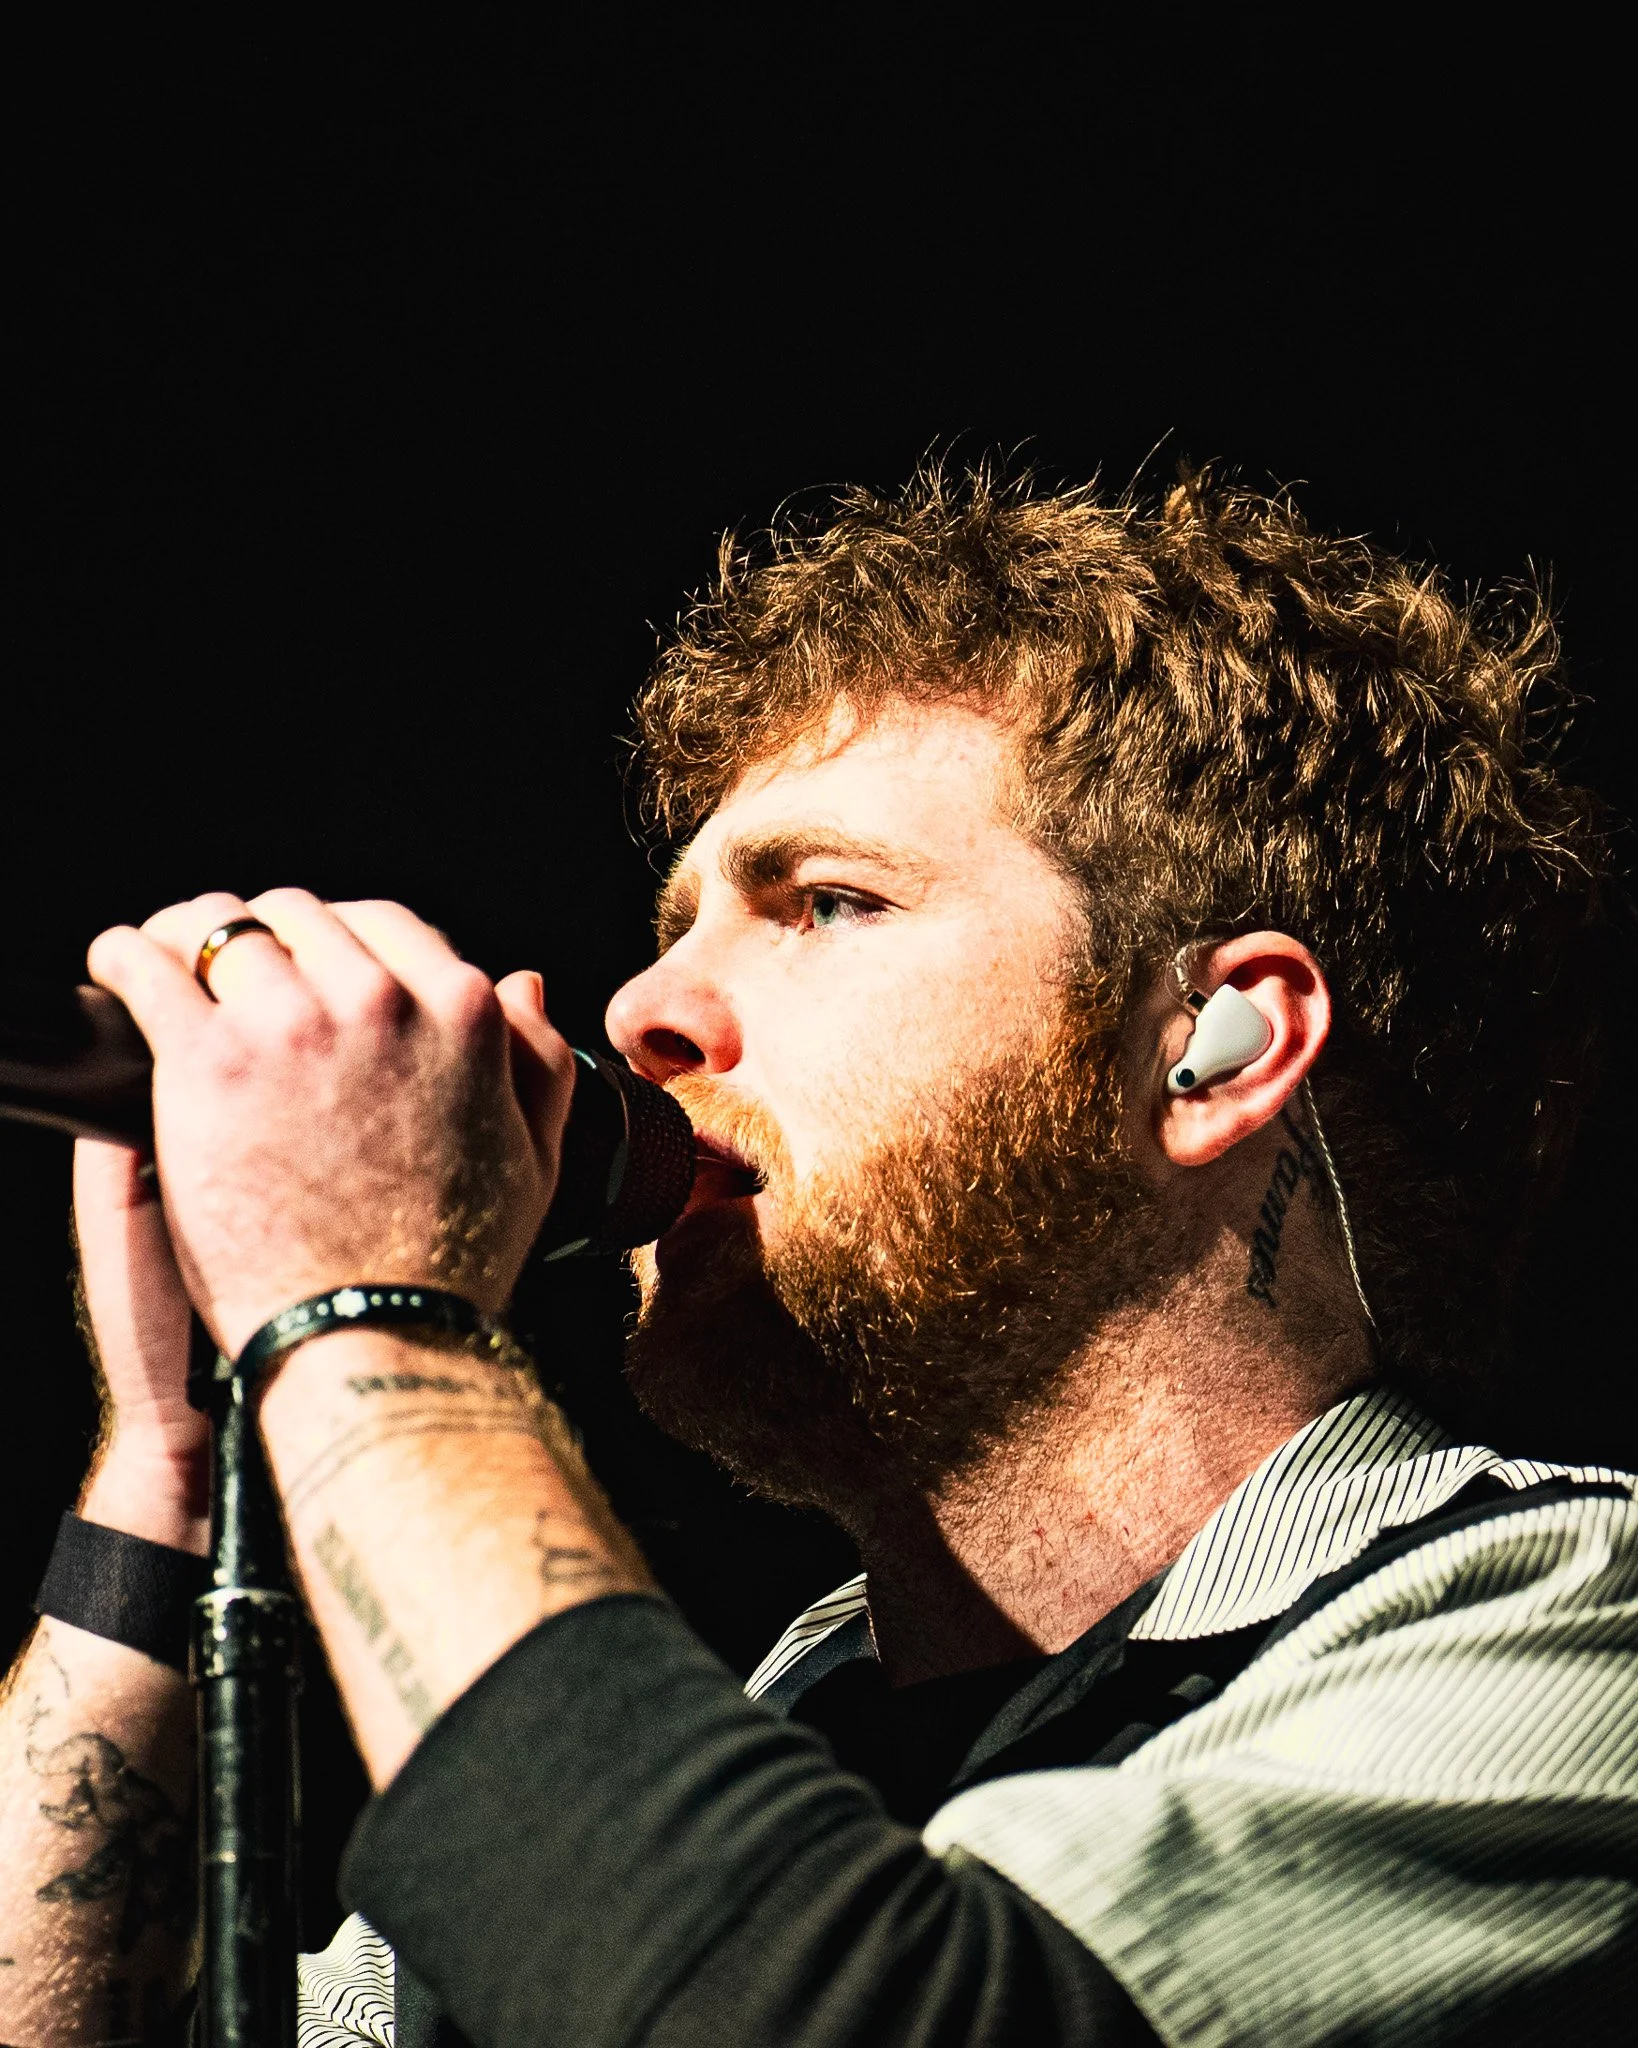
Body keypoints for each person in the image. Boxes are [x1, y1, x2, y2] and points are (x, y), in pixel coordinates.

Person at [1, 469, 1633, 2047]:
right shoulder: (756, 1728)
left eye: (828, 904)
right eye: (676, 929)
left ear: (1210, 1051)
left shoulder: (1568, 1631)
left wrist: (371, 1315)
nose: (642, 1010)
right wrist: (177, 1465)